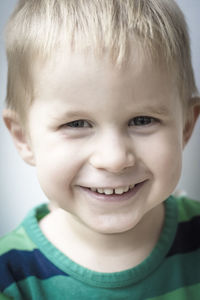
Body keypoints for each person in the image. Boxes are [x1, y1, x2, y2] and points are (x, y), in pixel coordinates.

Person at [0, 0, 200, 299]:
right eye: (77, 123)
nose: (114, 159)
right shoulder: (11, 276)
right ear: (23, 138)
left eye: (142, 120)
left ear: (186, 126)